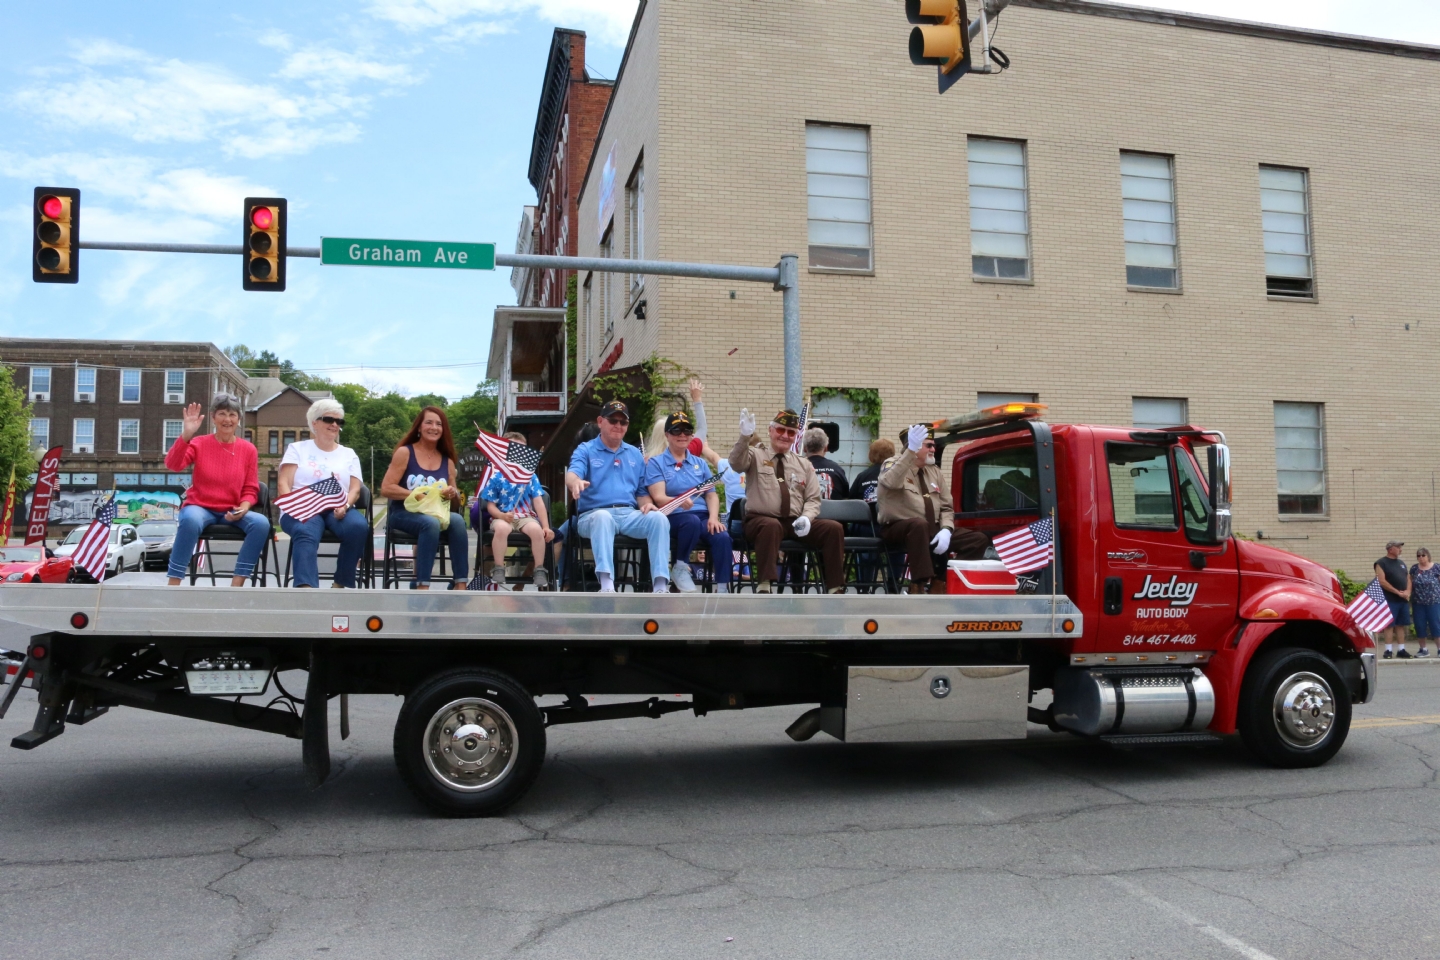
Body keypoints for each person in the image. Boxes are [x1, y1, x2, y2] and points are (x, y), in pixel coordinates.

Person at [728, 407, 845, 593]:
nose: (785, 435)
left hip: (794, 521)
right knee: (771, 525)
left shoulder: (803, 463)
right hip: (761, 520)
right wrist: (745, 436)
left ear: (796, 436)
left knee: (833, 528)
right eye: (780, 430)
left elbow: (813, 498)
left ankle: (835, 586)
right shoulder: (755, 455)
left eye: (791, 432)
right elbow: (735, 463)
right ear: (770, 430)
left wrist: (807, 517)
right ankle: (765, 584)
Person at [565, 400, 671, 593]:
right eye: (613, 420)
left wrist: (647, 504)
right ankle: (606, 585)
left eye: (623, 422)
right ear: (600, 421)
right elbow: (572, 474)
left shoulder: (634, 454)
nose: (618, 426)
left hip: (628, 514)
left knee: (658, 519)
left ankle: (660, 585)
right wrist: (576, 482)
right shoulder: (586, 450)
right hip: (593, 514)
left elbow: (641, 492)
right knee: (602, 518)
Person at [165, 394, 270, 587]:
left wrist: (244, 508)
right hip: (201, 507)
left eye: (232, 414)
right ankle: (174, 581)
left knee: (261, 523)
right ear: (213, 417)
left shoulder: (248, 450)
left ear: (238, 419)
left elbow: (250, 488)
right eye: (222, 413)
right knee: (189, 520)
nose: (227, 419)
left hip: (232, 509)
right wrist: (187, 435)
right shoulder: (199, 443)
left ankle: (237, 584)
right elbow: (173, 464)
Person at [276, 399, 368, 588]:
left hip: (337, 506)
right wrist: (294, 508)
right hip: (302, 507)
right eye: (328, 419)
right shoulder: (297, 449)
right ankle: (307, 590)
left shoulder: (348, 453)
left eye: (339, 421)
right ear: (314, 422)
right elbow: (283, 482)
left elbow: (355, 489)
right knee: (305, 530)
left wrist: (346, 506)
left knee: (358, 527)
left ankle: (341, 584)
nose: (334, 424)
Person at [381, 406, 469, 590]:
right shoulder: (405, 453)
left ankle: (461, 583)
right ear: (419, 427)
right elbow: (387, 488)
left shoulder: (448, 461)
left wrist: (452, 493)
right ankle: (422, 585)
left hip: (436, 513)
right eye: (428, 422)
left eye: (439, 424)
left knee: (458, 521)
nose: (434, 427)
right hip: (403, 512)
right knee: (430, 523)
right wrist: (415, 494)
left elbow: (454, 502)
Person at [645, 411, 732, 593]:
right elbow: (659, 497)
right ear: (667, 435)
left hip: (701, 517)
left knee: (722, 536)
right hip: (674, 516)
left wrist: (714, 518)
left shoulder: (699, 463)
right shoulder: (656, 463)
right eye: (676, 431)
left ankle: (723, 588)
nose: (682, 435)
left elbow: (711, 494)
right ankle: (680, 566)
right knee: (690, 522)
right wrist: (678, 501)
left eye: (687, 431)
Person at [480, 431, 554, 589]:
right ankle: (499, 567)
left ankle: (539, 569)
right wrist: (500, 515)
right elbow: (490, 504)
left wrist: (546, 526)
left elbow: (539, 502)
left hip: (525, 516)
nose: (519, 454)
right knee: (501, 529)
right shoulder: (497, 476)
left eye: (523, 450)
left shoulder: (530, 476)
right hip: (502, 516)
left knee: (536, 530)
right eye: (514, 449)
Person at [1375, 539, 1412, 658]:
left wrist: (1407, 591)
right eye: (1398, 547)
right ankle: (1388, 651)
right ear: (1390, 549)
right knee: (1389, 625)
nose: (1400, 549)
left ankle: (1401, 650)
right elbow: (1382, 581)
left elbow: (1408, 579)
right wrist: (1397, 592)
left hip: (1402, 600)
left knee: (1401, 625)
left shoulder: (1401, 563)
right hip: (1389, 600)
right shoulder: (1381, 563)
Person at [804, 428, 850, 500]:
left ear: (805, 449)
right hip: (834, 511)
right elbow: (846, 496)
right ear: (826, 448)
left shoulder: (796, 468)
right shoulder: (837, 469)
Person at [1411, 547, 1440, 658]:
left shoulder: (1437, 567)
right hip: (1418, 602)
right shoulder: (1414, 569)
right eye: (1418, 555)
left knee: (1435, 625)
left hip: (1434, 602)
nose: (1421, 558)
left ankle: (1439, 649)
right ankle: (1423, 649)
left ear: (1428, 556)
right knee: (1419, 625)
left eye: (1423, 555)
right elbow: (1410, 582)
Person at [848, 438, 895, 504]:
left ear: (871, 454)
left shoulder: (862, 476)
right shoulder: (897, 475)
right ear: (892, 454)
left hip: (866, 513)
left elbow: (852, 500)